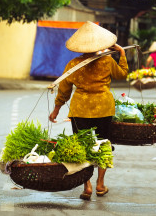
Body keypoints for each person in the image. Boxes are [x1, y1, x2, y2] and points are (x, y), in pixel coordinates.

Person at [48, 21, 128, 201]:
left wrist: (56, 110)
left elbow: (64, 90)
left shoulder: (73, 65)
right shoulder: (107, 61)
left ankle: (87, 186)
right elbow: (122, 74)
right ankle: (100, 184)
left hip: (80, 110)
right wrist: (122, 53)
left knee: (83, 147)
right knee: (103, 145)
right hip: (103, 108)